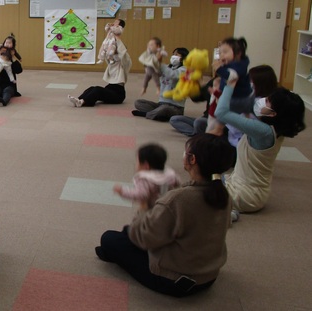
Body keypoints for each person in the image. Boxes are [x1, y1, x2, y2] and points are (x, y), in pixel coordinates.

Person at [96, 133, 235, 297]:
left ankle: (112, 253)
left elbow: (145, 238)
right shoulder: (223, 194)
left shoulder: (177, 199)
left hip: (174, 280)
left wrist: (144, 206)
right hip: (209, 275)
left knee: (110, 239)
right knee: (126, 233)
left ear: (192, 160)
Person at [214, 69, 306, 217]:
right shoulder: (274, 127)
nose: (263, 100)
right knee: (206, 177)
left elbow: (222, 113)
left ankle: (228, 213)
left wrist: (229, 85)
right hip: (245, 186)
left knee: (197, 195)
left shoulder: (262, 131)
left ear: (273, 113)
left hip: (245, 195)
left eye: (268, 100)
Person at [68, 19, 130, 107]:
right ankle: (78, 99)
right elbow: (108, 54)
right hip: (110, 88)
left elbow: (122, 51)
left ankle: (83, 102)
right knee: (92, 88)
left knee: (97, 90)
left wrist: (117, 38)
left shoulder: (123, 62)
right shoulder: (112, 62)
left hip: (118, 95)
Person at [113, 143, 180, 211]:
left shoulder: (145, 179)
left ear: (146, 165)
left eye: (137, 161)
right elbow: (178, 184)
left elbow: (141, 194)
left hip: (152, 209)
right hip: (168, 206)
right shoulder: (170, 174)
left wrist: (122, 191)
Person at [208, 37, 252, 135]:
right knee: (244, 116)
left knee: (221, 114)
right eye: (220, 53)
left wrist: (219, 69)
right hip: (240, 97)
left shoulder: (238, 65)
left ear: (238, 53)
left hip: (236, 98)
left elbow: (232, 76)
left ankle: (218, 129)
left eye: (225, 52)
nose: (221, 55)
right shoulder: (234, 63)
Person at [132, 47, 189, 121]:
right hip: (161, 103)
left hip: (176, 107)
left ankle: (147, 114)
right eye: (173, 54)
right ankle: (158, 115)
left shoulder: (185, 69)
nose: (173, 56)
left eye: (176, 55)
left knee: (164, 109)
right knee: (138, 103)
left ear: (183, 57)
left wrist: (161, 64)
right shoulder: (168, 67)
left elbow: (173, 75)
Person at [0, 35, 23, 107]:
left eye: (10, 43)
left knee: (8, 91)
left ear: (13, 45)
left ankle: (4, 101)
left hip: (9, 82)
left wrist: (13, 56)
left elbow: (19, 70)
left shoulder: (12, 56)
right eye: (6, 42)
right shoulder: (0, 55)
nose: (7, 44)